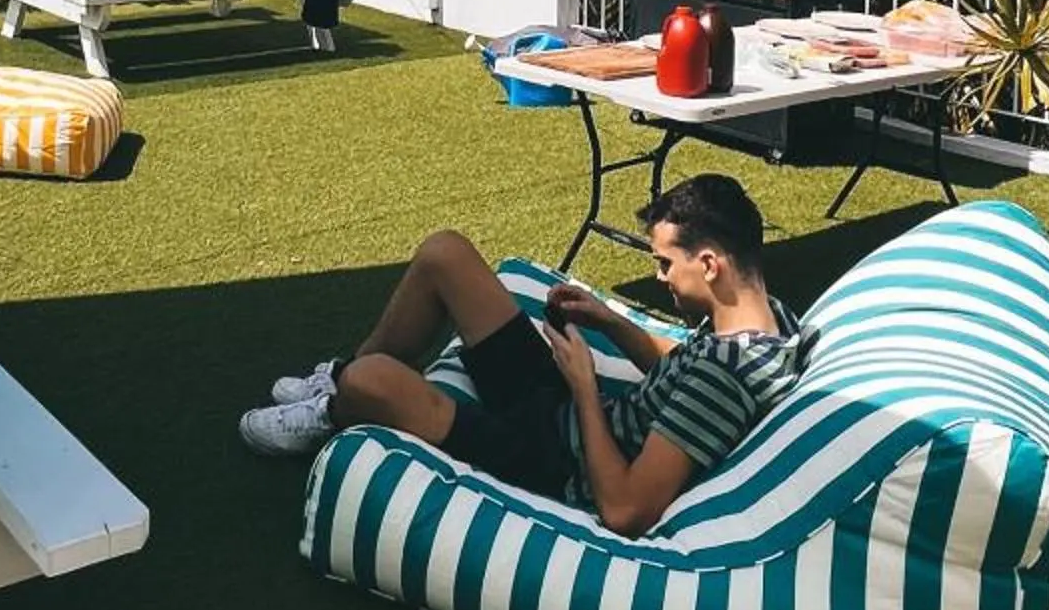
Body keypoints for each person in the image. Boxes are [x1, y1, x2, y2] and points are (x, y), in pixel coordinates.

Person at [239, 173, 808, 536]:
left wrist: (586, 386)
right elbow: (675, 373)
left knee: (376, 379)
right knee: (446, 254)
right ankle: (334, 382)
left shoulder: (725, 377)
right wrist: (609, 320)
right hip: (567, 417)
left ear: (709, 263)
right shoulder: (766, 318)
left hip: (554, 463)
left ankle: (335, 407)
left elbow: (627, 511)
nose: (659, 277)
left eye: (665, 264)